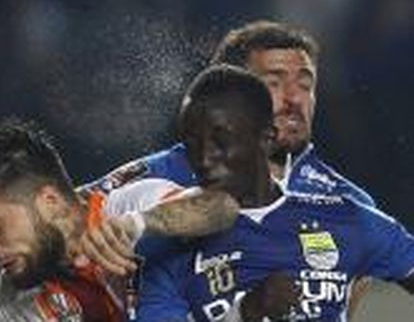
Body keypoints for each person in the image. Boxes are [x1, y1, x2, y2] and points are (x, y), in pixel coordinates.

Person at [78, 20, 375, 315]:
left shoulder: (351, 205)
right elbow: (67, 214)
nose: (294, 99)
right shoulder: (161, 174)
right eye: (274, 83)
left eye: (305, 85)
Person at [135, 65, 414, 321]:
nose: (204, 159)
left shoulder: (344, 217)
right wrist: (245, 312)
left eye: (221, 142)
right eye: (192, 144)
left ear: (266, 139)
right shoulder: (169, 251)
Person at [0, 118, 239, 321]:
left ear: (49, 203)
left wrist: (138, 225)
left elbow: (222, 207)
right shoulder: (20, 296)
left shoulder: (123, 205)